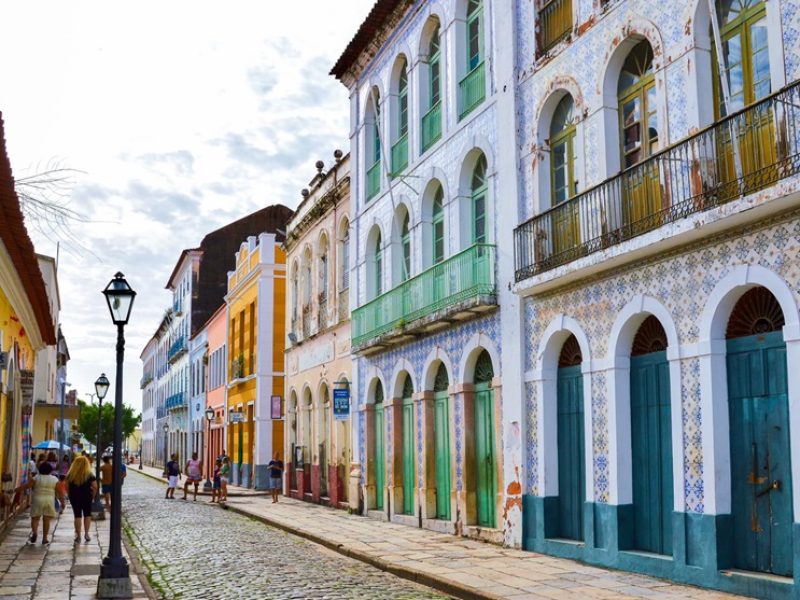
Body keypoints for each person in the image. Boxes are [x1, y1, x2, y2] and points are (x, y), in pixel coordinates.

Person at [27, 462, 63, 545]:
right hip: (49, 500)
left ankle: (35, 532)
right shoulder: (54, 479)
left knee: (35, 518)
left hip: (37, 499)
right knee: (46, 520)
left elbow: (27, 486)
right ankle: (45, 538)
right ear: (50, 470)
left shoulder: (36, 478)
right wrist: (62, 502)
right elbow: (60, 492)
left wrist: (15, 490)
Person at [66, 455, 97, 543]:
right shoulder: (89, 475)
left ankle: (78, 535)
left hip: (74, 497)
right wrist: (93, 496)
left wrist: (69, 495)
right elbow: (95, 487)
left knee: (77, 515)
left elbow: (67, 486)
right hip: (87, 496)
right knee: (87, 515)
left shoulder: (70, 475)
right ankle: (86, 534)